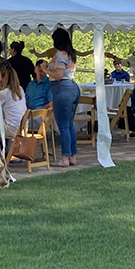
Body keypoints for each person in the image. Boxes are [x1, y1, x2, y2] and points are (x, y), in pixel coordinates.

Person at [47, 27, 81, 167]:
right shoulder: (71, 54)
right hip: (73, 87)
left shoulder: (59, 55)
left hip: (62, 88)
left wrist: (45, 69)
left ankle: (65, 158)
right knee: (69, 125)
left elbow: (59, 75)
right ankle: (72, 155)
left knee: (63, 126)